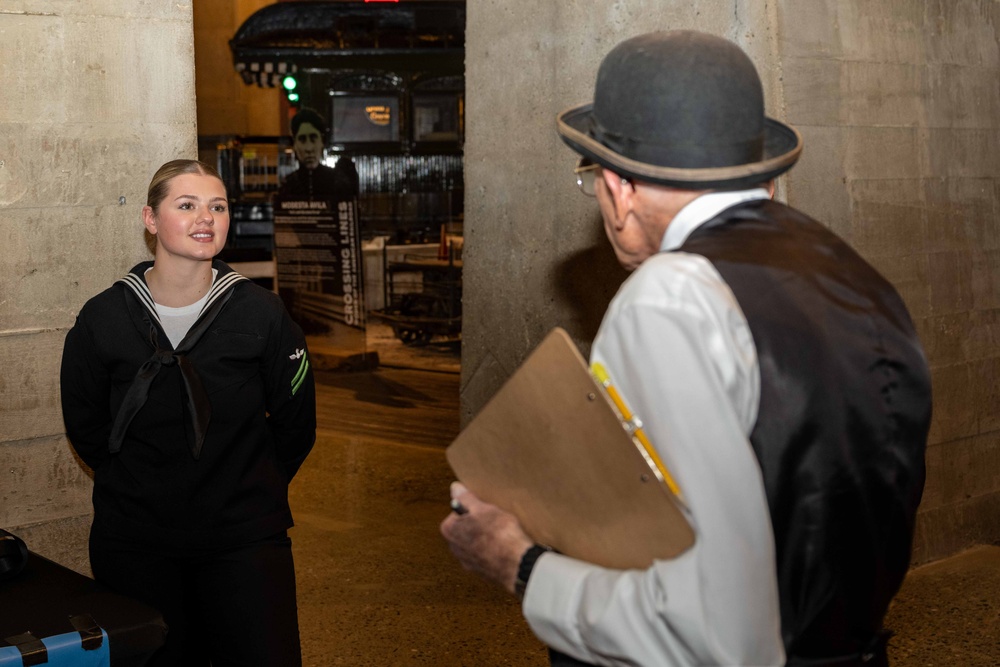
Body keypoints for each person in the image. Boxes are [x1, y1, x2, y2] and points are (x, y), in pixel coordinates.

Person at [440, 30, 931, 667]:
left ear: (618, 186)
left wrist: (522, 565)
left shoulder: (669, 299)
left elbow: (715, 629)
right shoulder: (856, 278)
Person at [60, 159, 317, 666]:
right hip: (135, 542)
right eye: (187, 205)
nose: (206, 218)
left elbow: (296, 424)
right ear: (150, 220)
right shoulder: (104, 317)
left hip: (243, 541)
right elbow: (86, 424)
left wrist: (247, 486)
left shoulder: (261, 313)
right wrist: (134, 485)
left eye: (217, 206)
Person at [278, 107, 359, 200]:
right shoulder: (287, 186)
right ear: (295, 144)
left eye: (313, 139)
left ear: (322, 142)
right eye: (302, 139)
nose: (309, 148)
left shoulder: (337, 182)